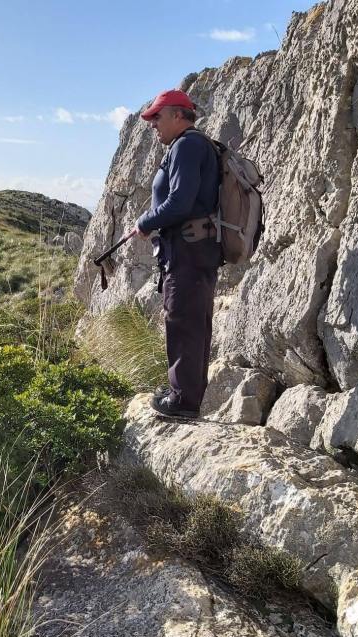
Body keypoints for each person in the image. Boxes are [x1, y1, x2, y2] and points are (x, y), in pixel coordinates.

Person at [130, 89, 222, 419]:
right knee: (190, 320)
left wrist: (146, 221)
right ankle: (184, 393)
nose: (153, 124)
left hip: (189, 251)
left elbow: (180, 202)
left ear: (177, 115)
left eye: (157, 116)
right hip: (193, 249)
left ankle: (182, 402)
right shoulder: (190, 145)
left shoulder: (188, 145)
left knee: (183, 320)